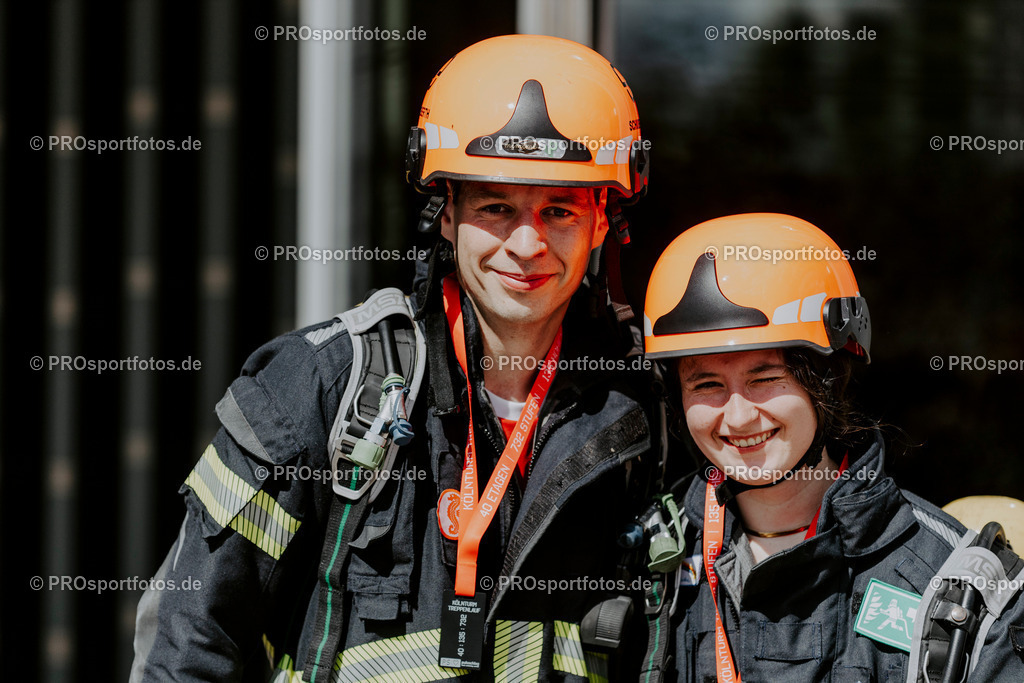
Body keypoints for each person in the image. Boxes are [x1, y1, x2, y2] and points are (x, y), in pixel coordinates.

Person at [131, 34, 662, 682]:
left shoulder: (646, 413)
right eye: (497, 208)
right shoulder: (323, 384)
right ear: (445, 214)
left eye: (559, 210)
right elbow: (190, 642)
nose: (527, 243)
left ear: (604, 219)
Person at [641, 213, 1024, 681]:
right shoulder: (648, 561)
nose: (737, 416)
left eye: (766, 379)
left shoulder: (961, 591)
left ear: (827, 381)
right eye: (706, 384)